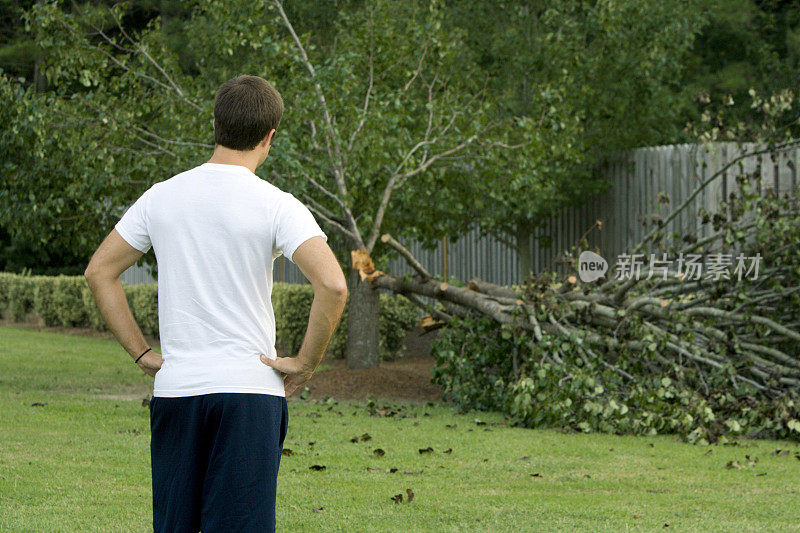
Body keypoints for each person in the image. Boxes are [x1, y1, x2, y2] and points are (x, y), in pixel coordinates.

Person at [84, 74, 348, 532]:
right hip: (250, 393)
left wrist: (142, 353)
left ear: (215, 123)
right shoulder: (278, 204)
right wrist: (306, 363)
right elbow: (334, 285)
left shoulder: (160, 197)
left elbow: (99, 271)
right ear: (269, 137)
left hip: (178, 390)